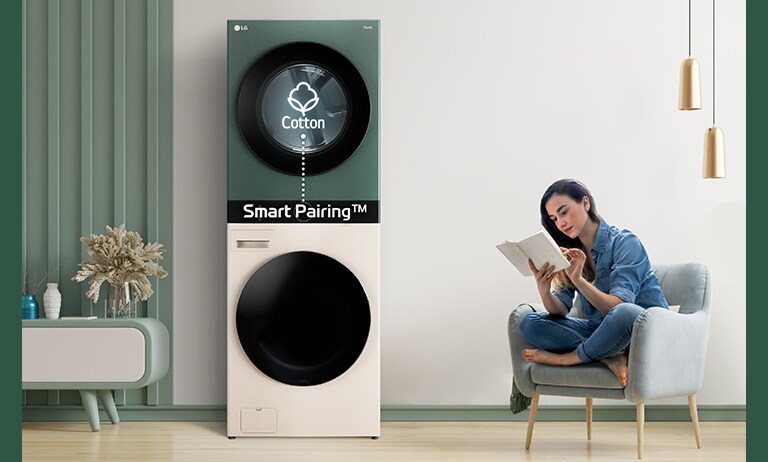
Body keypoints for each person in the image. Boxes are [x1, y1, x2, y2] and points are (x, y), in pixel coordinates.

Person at [518, 179, 668, 387]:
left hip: (642, 330)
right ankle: (606, 356)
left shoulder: (625, 242)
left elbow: (619, 307)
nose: (560, 223)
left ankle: (569, 358)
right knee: (528, 322)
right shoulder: (569, 253)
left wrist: (579, 280)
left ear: (585, 203)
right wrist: (543, 290)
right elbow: (561, 310)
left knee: (624, 312)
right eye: (553, 219)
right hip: (602, 333)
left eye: (564, 212)